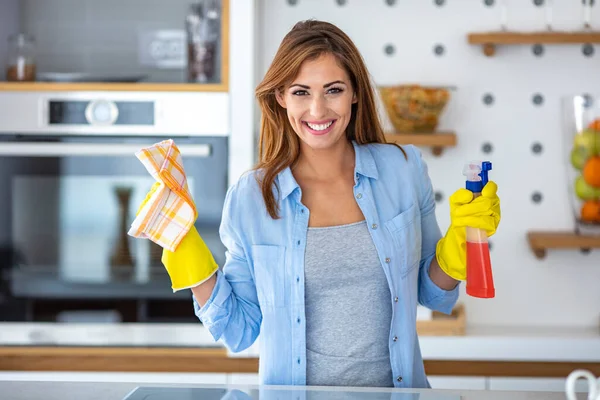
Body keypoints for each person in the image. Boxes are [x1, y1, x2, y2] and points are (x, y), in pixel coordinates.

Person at [138, 20, 501, 388]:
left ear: (355, 93)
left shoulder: (403, 170)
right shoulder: (252, 197)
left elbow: (433, 293)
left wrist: (460, 243)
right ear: (280, 96)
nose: (317, 110)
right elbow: (239, 329)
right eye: (300, 92)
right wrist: (183, 247)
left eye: (333, 90)